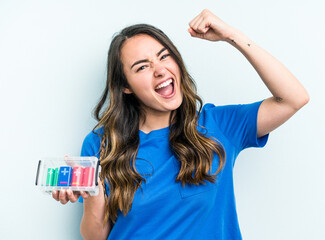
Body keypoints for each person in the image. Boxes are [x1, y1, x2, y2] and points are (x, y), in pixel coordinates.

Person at [52, 9, 309, 240]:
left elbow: (293, 98)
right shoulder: (101, 142)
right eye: (142, 67)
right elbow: (95, 237)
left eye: (164, 56)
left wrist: (232, 35)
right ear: (125, 87)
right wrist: (93, 195)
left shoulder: (219, 126)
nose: (160, 69)